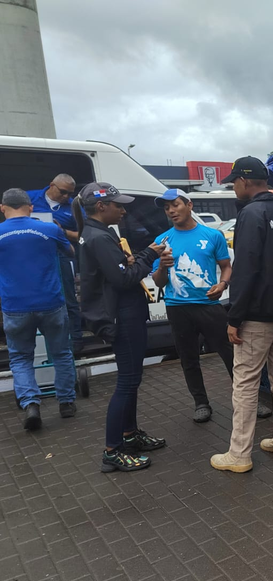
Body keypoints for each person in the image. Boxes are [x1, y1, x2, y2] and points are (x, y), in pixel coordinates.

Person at [210, 157, 273, 473]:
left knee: (246, 381)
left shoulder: (251, 214)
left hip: (259, 315)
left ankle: (239, 454)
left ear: (245, 181)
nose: (233, 186)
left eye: (234, 181)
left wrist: (234, 317)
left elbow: (246, 269)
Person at [151, 189, 271, 422]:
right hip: (177, 307)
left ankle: (249, 402)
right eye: (167, 208)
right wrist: (163, 266)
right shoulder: (162, 241)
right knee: (188, 357)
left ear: (189, 204)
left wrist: (223, 284)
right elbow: (158, 282)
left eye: (175, 205)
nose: (171, 211)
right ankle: (201, 403)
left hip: (209, 304)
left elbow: (226, 265)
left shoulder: (213, 235)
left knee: (232, 354)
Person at [73, 182, 168, 472]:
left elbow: (119, 271)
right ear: (101, 207)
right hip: (121, 319)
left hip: (125, 315)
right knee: (127, 382)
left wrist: (132, 260)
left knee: (132, 380)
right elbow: (125, 280)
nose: (124, 210)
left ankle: (129, 434)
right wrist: (149, 254)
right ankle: (113, 450)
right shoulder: (98, 237)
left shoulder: (98, 233)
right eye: (118, 205)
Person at [0, 189, 77, 430]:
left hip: (15, 306)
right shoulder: (50, 230)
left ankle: (31, 403)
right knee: (62, 353)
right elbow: (71, 252)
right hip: (51, 302)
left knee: (21, 358)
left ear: (2, 208)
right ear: (31, 207)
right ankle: (66, 403)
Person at [27, 175, 85, 352]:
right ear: (51, 185)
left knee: (69, 299)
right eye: (63, 192)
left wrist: (62, 232)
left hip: (63, 256)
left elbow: (84, 235)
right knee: (36, 299)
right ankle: (41, 344)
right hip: (34, 257)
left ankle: (76, 340)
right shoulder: (29, 198)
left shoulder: (73, 206)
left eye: (70, 193)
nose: (67, 196)